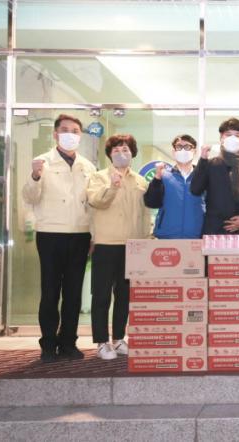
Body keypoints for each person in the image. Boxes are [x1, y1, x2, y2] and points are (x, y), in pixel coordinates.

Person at [21, 114, 96, 362]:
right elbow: (30, 197)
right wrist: (35, 176)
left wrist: (93, 235)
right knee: (50, 291)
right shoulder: (42, 162)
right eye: (65, 130)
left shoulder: (87, 166)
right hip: (50, 234)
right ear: (55, 134)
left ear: (80, 136)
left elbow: (92, 205)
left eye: (75, 131)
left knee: (73, 293)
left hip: (80, 234)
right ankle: (48, 345)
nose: (70, 134)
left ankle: (68, 343)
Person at [87, 134, 150, 360]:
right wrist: (112, 186)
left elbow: (144, 214)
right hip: (106, 244)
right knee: (101, 295)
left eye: (125, 150)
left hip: (132, 246)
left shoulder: (140, 181)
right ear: (109, 154)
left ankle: (119, 338)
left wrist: (146, 240)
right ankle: (101, 342)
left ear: (132, 153)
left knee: (124, 296)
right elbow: (97, 201)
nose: (121, 154)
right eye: (116, 150)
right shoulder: (98, 177)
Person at [190, 118, 239, 234]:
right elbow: (195, 189)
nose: (232, 138)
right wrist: (203, 159)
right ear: (221, 138)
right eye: (228, 135)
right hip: (214, 230)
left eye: (237, 135)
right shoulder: (210, 164)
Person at [144, 134, 205, 239]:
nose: (183, 150)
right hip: (167, 235)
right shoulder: (164, 175)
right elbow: (151, 202)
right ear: (174, 152)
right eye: (179, 147)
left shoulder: (203, 177)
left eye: (187, 147)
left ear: (194, 151)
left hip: (196, 235)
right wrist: (157, 178)